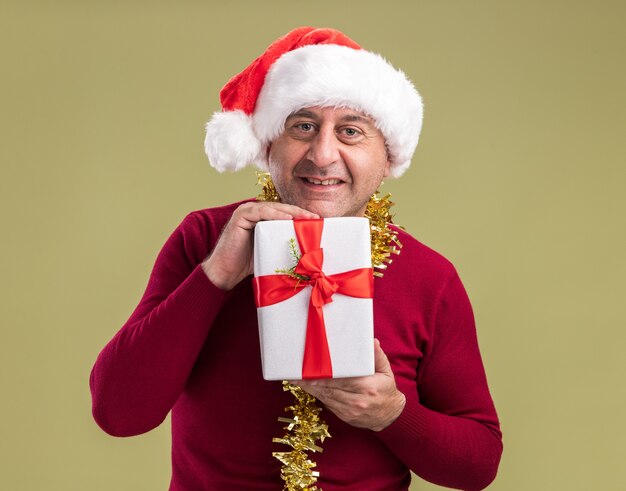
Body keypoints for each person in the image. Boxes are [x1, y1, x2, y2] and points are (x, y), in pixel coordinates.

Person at [90, 27, 502, 491]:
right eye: (302, 127)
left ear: (387, 157)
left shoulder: (429, 277)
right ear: (268, 146)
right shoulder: (205, 238)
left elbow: (478, 464)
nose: (323, 154)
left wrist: (393, 414)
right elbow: (118, 413)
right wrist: (217, 275)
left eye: (351, 131)